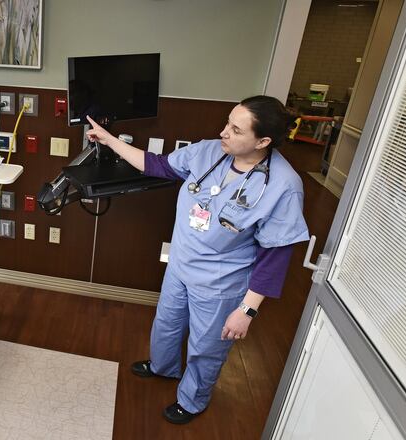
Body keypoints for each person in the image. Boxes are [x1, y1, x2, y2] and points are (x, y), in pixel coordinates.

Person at [85, 95, 309, 425]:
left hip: (221, 282)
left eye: (235, 129)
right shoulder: (209, 151)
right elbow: (158, 165)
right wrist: (109, 140)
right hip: (181, 264)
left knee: (206, 347)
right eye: (227, 123)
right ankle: (163, 367)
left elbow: (274, 255)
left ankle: (192, 399)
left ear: (263, 141)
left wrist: (246, 311)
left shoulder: (284, 186)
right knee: (167, 323)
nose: (223, 133)